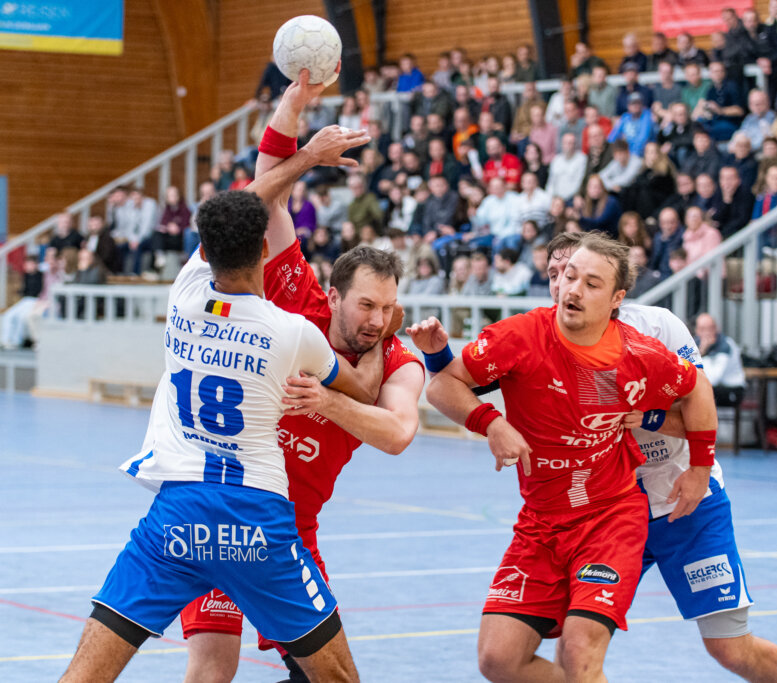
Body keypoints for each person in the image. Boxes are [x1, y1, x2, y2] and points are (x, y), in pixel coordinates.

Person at [58, 116, 376, 683]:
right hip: (259, 519)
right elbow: (359, 387)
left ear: (205, 249)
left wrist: (303, 159)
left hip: (178, 516)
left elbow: (243, 204)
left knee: (85, 675)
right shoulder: (292, 332)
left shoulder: (183, 295)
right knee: (337, 678)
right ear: (260, 246)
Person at [177, 74, 425, 683]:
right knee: (212, 667)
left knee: (328, 676)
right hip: (222, 506)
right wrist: (294, 103)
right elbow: (267, 191)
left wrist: (327, 401)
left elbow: (395, 432)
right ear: (334, 295)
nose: (379, 320)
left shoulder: (398, 358)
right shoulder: (295, 295)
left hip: (290, 532)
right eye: (367, 306)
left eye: (389, 307)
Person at [423, 230, 717, 683]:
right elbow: (443, 383)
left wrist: (699, 469)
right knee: (498, 660)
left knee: (580, 656)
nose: (574, 289)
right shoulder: (520, 335)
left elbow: (697, 389)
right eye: (569, 276)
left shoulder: (640, 354)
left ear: (617, 298)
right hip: (541, 522)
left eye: (591, 283)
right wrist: (492, 422)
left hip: (610, 519)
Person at [541, 239, 777, 683]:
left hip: (684, 500)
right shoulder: (538, 341)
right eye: (557, 274)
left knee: (729, 648)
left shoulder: (656, 326)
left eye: (581, 275)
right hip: (609, 512)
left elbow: (702, 408)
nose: (568, 286)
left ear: (611, 288)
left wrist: (691, 462)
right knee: (575, 644)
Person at [695, 312, 747, 407]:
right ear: (697, 331)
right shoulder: (695, 344)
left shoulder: (725, 345)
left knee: (698, 393)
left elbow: (713, 378)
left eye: (709, 328)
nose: (706, 333)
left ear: (716, 329)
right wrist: (702, 351)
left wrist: (702, 353)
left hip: (732, 389)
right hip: (715, 388)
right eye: (702, 329)